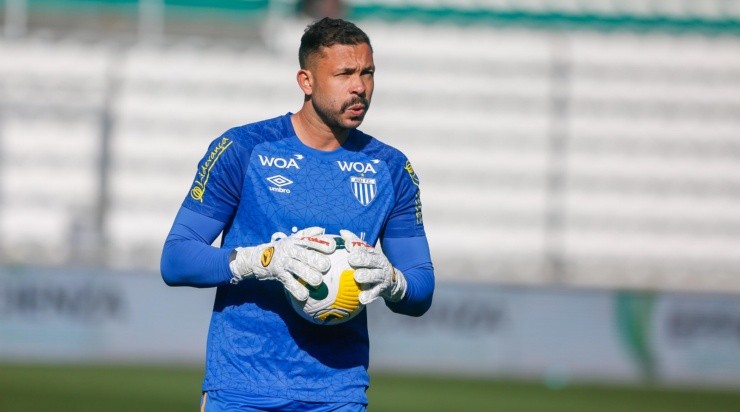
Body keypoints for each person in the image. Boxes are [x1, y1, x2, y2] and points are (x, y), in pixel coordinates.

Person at [160, 17, 434, 411]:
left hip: (338, 393)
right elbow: (176, 258)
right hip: (241, 386)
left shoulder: (391, 168)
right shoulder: (243, 149)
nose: (359, 87)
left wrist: (393, 281)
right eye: (344, 74)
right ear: (306, 81)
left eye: (368, 73)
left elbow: (421, 285)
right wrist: (262, 260)